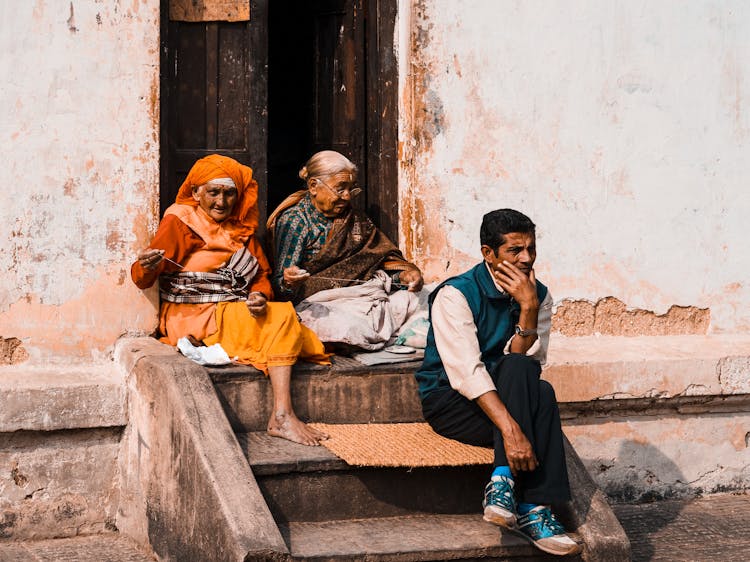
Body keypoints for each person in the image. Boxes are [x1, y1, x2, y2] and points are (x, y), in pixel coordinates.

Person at [131, 154, 330, 446]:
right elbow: (142, 277)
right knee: (284, 320)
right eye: (213, 193)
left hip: (229, 312)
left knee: (293, 329)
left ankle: (282, 413)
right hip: (193, 318)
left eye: (229, 194)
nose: (221, 202)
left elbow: (261, 275)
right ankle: (282, 416)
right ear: (196, 192)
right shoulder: (181, 222)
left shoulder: (241, 229)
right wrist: (147, 266)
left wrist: (258, 296)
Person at [415, 209, 581, 556]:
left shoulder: (538, 296)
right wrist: (511, 431)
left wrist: (528, 309)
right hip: (452, 401)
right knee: (541, 397)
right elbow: (466, 373)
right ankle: (533, 508)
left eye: (531, 249)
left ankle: (504, 485)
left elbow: (528, 363)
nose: (526, 259)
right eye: (515, 250)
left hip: (509, 394)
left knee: (531, 377)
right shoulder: (455, 294)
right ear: (488, 254)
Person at [266, 150, 426, 351]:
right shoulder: (295, 221)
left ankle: (379, 336)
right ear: (313, 186)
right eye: (340, 189)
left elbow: (379, 260)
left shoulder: (356, 218)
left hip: (365, 295)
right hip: (320, 305)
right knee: (347, 327)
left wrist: (404, 276)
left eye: (351, 189)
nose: (347, 196)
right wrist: (289, 281)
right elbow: (281, 288)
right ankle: (384, 336)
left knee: (425, 296)